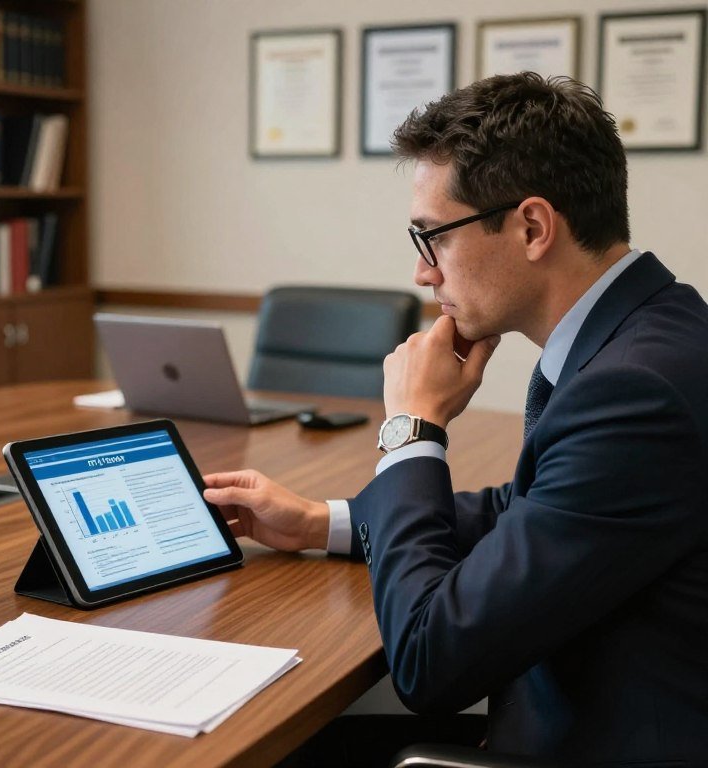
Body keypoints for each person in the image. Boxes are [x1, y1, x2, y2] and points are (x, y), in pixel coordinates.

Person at [203, 72, 708, 765]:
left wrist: (411, 431)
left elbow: (429, 660)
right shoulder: (654, 332)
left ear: (532, 226)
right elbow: (534, 512)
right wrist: (329, 523)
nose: (422, 272)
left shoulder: (634, 392)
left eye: (431, 236)